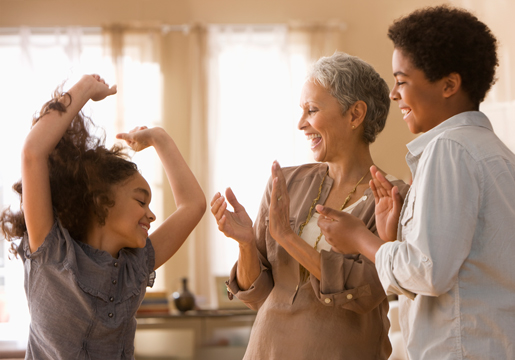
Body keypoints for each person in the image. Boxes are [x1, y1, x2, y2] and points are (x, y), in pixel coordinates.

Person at [317, 6, 515, 359]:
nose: (394, 94)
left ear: (449, 85)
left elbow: (429, 273)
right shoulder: (496, 153)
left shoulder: (449, 149)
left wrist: (361, 239)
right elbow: (461, 263)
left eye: (402, 81)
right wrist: (393, 238)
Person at [210, 52, 409, 359]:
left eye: (312, 110)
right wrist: (246, 243)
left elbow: (367, 292)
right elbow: (259, 294)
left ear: (355, 114)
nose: (301, 124)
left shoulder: (393, 196)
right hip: (267, 350)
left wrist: (287, 238)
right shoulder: (286, 182)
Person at [0, 74, 206, 359]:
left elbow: (193, 205)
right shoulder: (52, 253)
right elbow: (33, 153)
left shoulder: (134, 268)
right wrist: (84, 89)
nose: (152, 214)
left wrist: (159, 138)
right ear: (101, 201)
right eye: (141, 201)